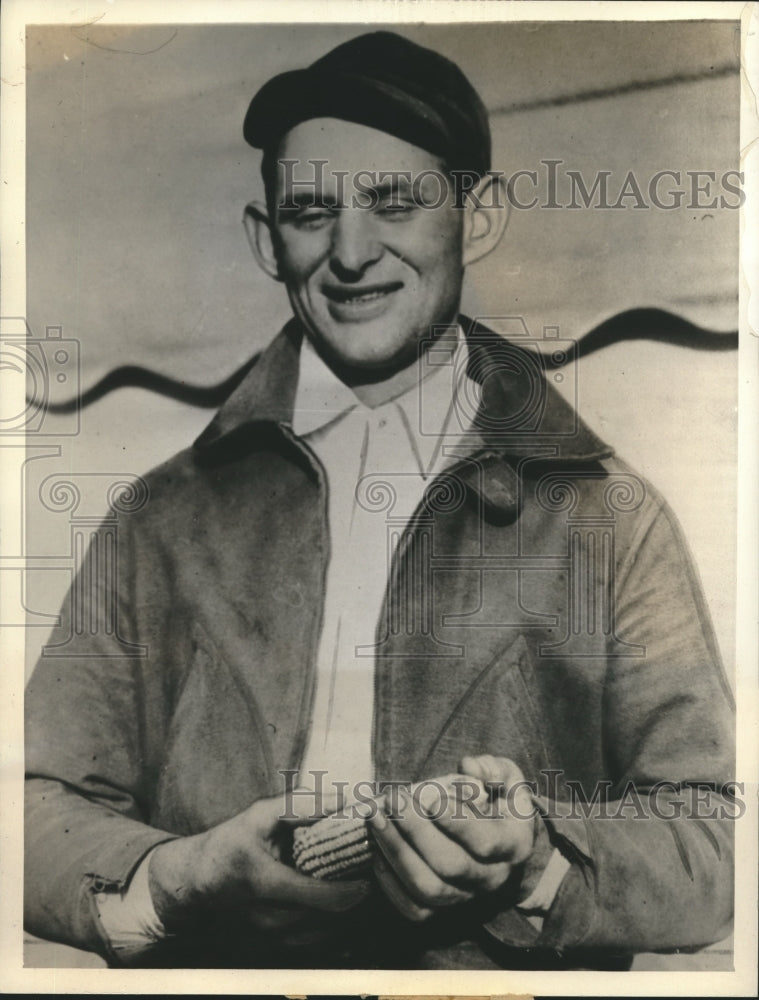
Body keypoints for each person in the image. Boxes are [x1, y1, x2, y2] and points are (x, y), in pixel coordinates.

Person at [24, 31, 735, 970]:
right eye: (311, 211)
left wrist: (534, 859)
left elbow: (711, 847)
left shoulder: (609, 516)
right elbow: (30, 808)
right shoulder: (158, 521)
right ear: (265, 238)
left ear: (478, 217)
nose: (351, 253)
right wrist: (182, 877)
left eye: (394, 202)